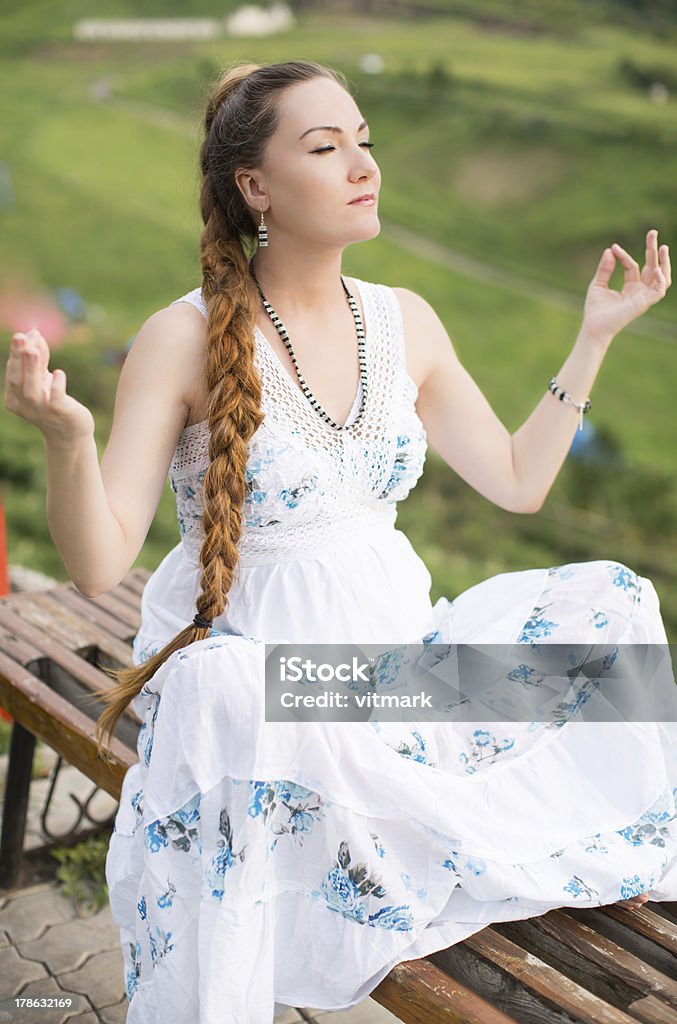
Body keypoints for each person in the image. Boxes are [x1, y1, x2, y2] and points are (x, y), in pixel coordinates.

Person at [4, 59, 675, 1024]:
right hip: (284, 697)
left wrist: (595, 337)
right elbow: (98, 562)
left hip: (403, 682)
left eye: (364, 141)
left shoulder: (405, 320)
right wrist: (67, 440)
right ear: (255, 186)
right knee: (229, 687)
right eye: (324, 147)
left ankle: (444, 798)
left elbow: (518, 482)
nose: (361, 164)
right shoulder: (181, 337)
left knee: (614, 602)